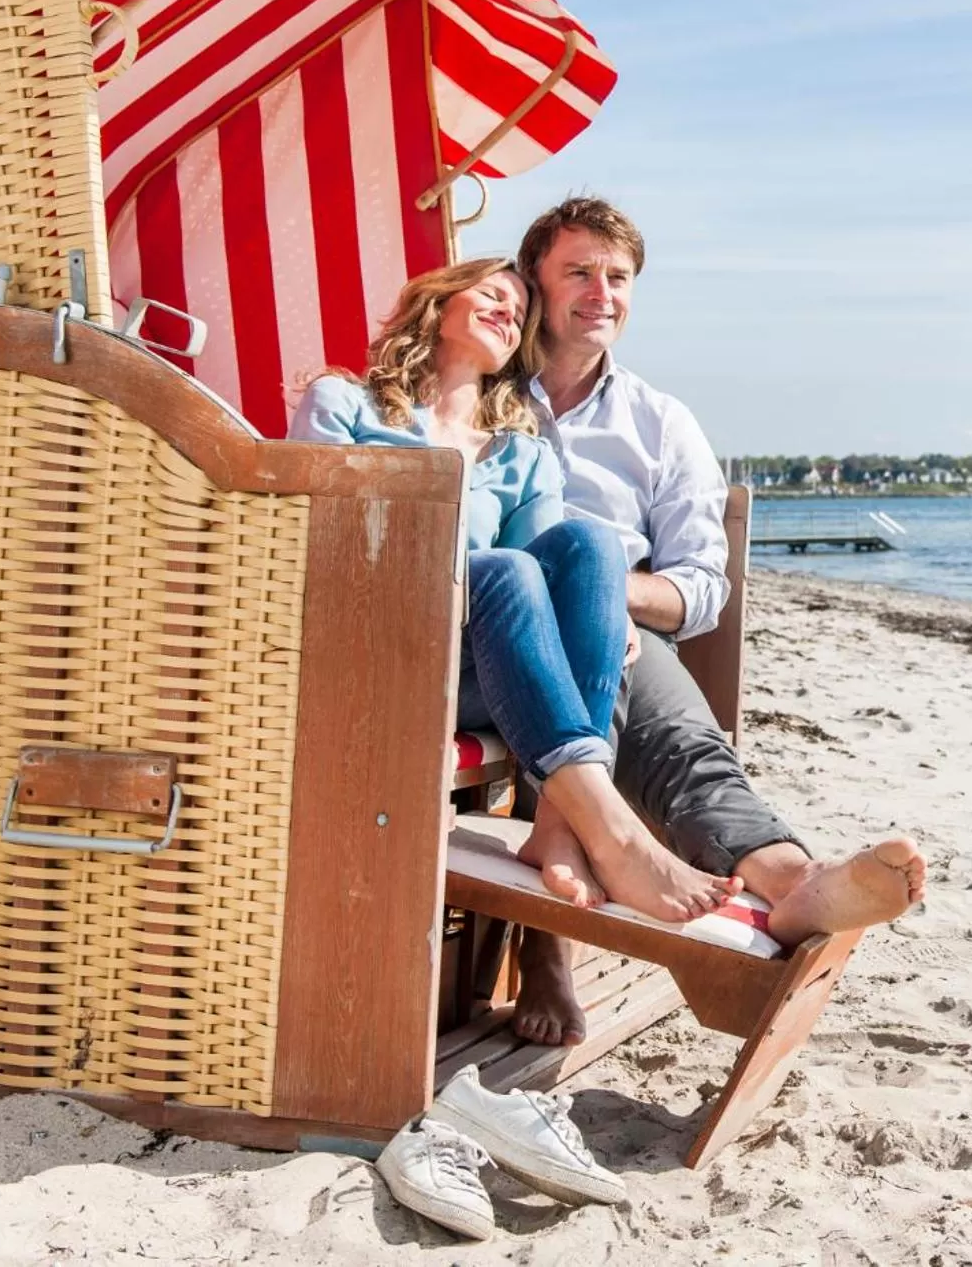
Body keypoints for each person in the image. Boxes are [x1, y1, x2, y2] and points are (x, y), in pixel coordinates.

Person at [505, 197, 929, 1047]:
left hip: (622, 638)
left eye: (617, 277)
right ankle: (551, 945)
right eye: (578, 271)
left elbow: (701, 585)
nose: (601, 292)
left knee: (683, 745)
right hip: (488, 643)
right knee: (559, 602)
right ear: (533, 284)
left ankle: (793, 878)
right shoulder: (482, 391)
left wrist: (605, 598)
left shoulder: (659, 423)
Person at [287, 255, 740, 924]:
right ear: (438, 303)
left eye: (519, 312)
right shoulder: (344, 404)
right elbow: (303, 536)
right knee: (504, 567)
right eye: (492, 294)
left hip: (480, 677)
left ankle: (559, 821)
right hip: (373, 647)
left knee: (586, 545)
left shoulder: (524, 454)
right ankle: (609, 830)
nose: (508, 311)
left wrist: (605, 614)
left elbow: (552, 579)